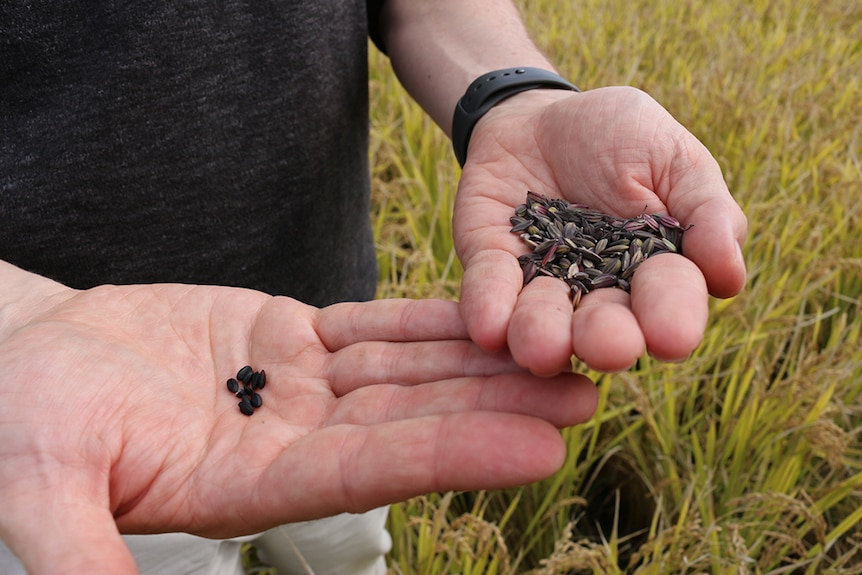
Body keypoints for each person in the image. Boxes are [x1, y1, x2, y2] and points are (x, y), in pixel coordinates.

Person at [0, 0, 747, 574]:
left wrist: (514, 95)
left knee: (351, 547)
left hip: (336, 350)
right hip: (97, 394)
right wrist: (17, 317)